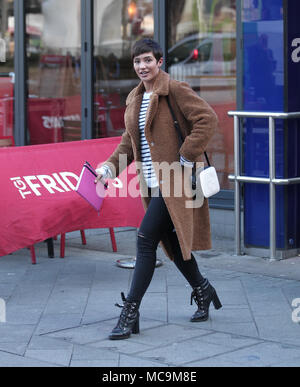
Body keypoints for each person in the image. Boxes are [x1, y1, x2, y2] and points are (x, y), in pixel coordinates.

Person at [95, 38, 221, 340]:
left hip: (175, 183)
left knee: (144, 240)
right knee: (172, 244)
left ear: (160, 62)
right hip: (153, 184)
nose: (142, 66)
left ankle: (129, 313)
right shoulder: (134, 98)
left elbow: (208, 119)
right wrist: (109, 168)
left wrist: (185, 154)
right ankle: (203, 289)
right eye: (138, 62)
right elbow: (129, 142)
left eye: (148, 60)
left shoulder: (174, 90)